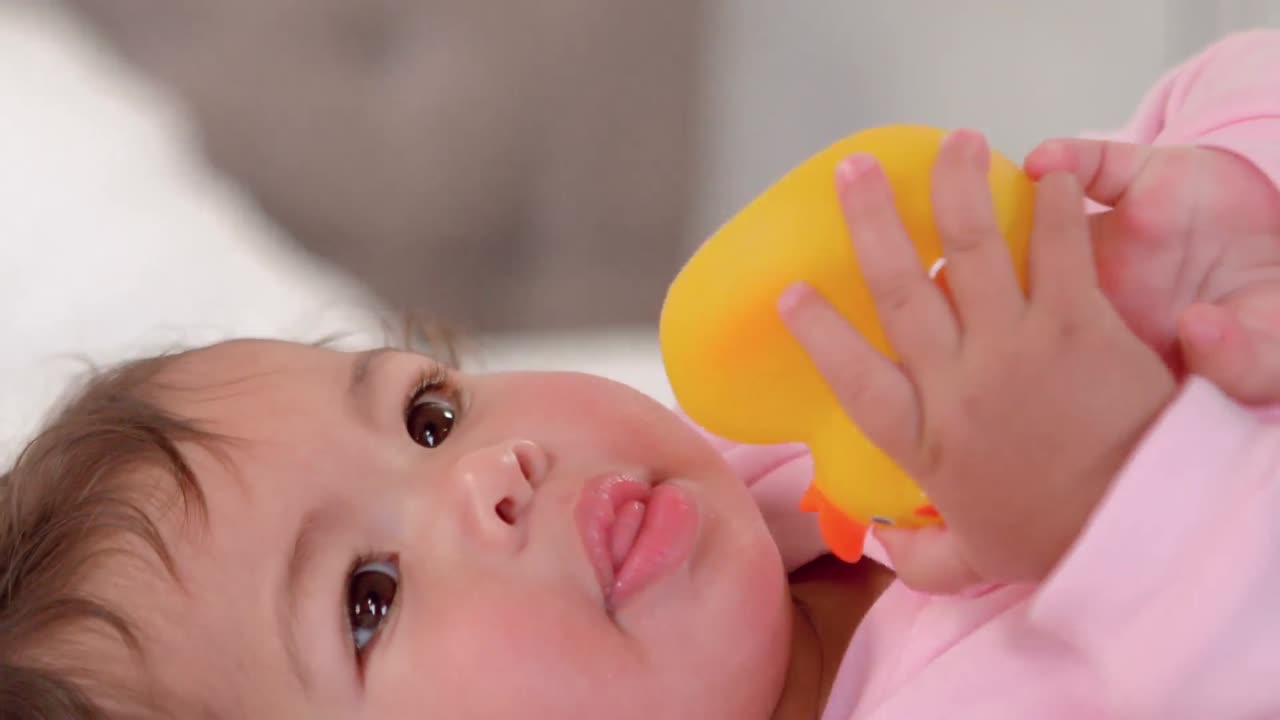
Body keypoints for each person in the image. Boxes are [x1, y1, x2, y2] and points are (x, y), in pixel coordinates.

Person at [2, 30, 1279, 720]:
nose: (495, 475)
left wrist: (1210, 201)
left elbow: (1212, 103)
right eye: (366, 602)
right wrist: (1113, 506)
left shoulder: (815, 452)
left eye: (427, 416)